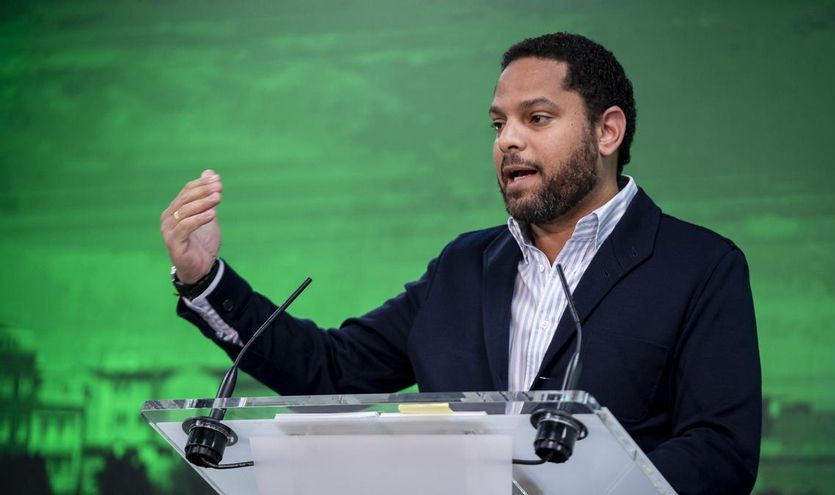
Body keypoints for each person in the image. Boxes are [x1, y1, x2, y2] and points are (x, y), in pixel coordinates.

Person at [160, 32, 761, 494]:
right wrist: (202, 276)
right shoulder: (463, 267)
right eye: (499, 124)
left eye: (537, 118)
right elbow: (328, 371)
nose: (508, 141)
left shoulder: (701, 266)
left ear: (607, 132)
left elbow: (719, 451)